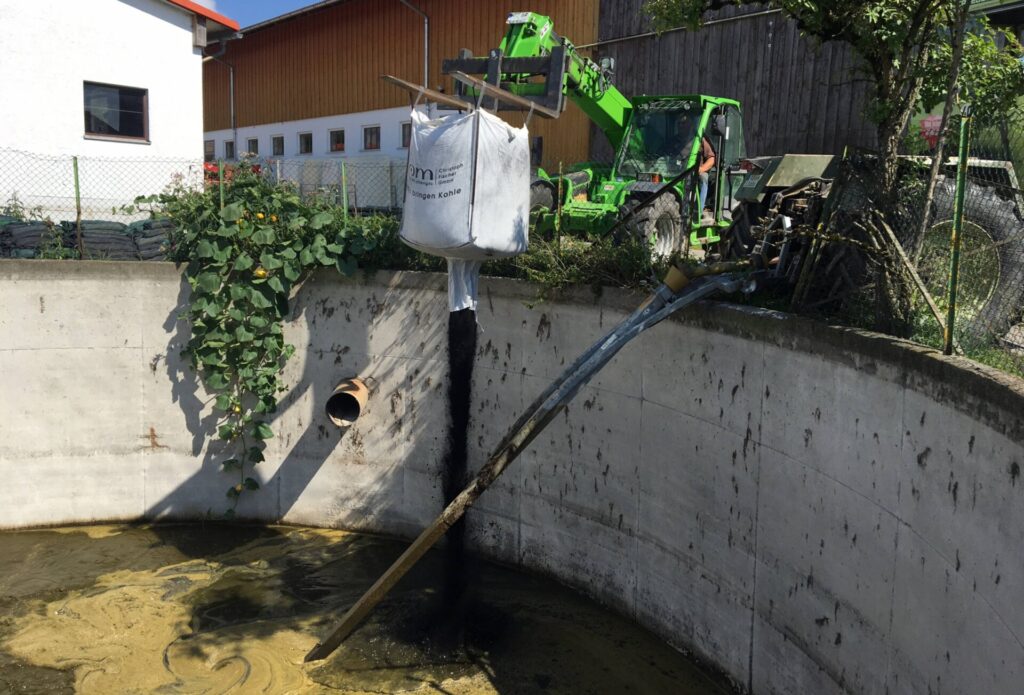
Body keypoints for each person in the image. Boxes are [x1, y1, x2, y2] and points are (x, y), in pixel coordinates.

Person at [675, 116, 716, 222]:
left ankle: (698, 211)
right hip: (676, 170)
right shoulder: (674, 140)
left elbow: (711, 158)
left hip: (696, 171)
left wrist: (701, 169)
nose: (681, 126)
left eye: (684, 123)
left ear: (690, 125)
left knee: (703, 179)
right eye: (679, 123)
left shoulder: (699, 140)